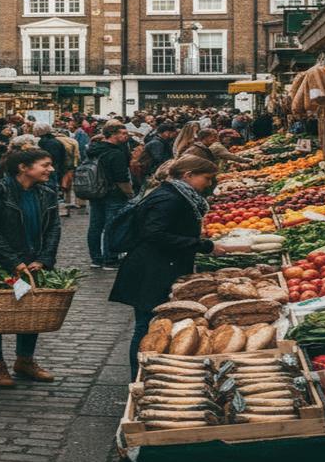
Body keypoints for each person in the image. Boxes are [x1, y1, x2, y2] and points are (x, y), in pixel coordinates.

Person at [107, 155, 241, 378]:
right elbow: (153, 234)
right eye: (206, 178)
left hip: (161, 266)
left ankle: (149, 372)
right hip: (152, 270)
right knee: (146, 327)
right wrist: (202, 245)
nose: (209, 184)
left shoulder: (177, 194)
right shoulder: (170, 198)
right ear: (188, 175)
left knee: (154, 324)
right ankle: (139, 376)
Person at [0, 148, 62, 387]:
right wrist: (13, 261)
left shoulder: (47, 192)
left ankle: (25, 360)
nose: (51, 169)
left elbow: (54, 228)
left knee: (31, 311)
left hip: (33, 264)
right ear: (23, 167)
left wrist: (43, 259)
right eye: (45, 164)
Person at [85, 122, 134, 270]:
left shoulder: (93, 149)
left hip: (95, 191)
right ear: (113, 135)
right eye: (123, 133)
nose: (126, 136)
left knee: (95, 225)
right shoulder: (115, 153)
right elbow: (121, 177)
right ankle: (110, 259)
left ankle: (96, 259)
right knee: (112, 226)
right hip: (113, 193)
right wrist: (129, 193)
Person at [33, 122, 67, 191]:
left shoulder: (47, 142)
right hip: (53, 169)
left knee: (49, 189)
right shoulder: (53, 141)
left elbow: (52, 158)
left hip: (50, 170)